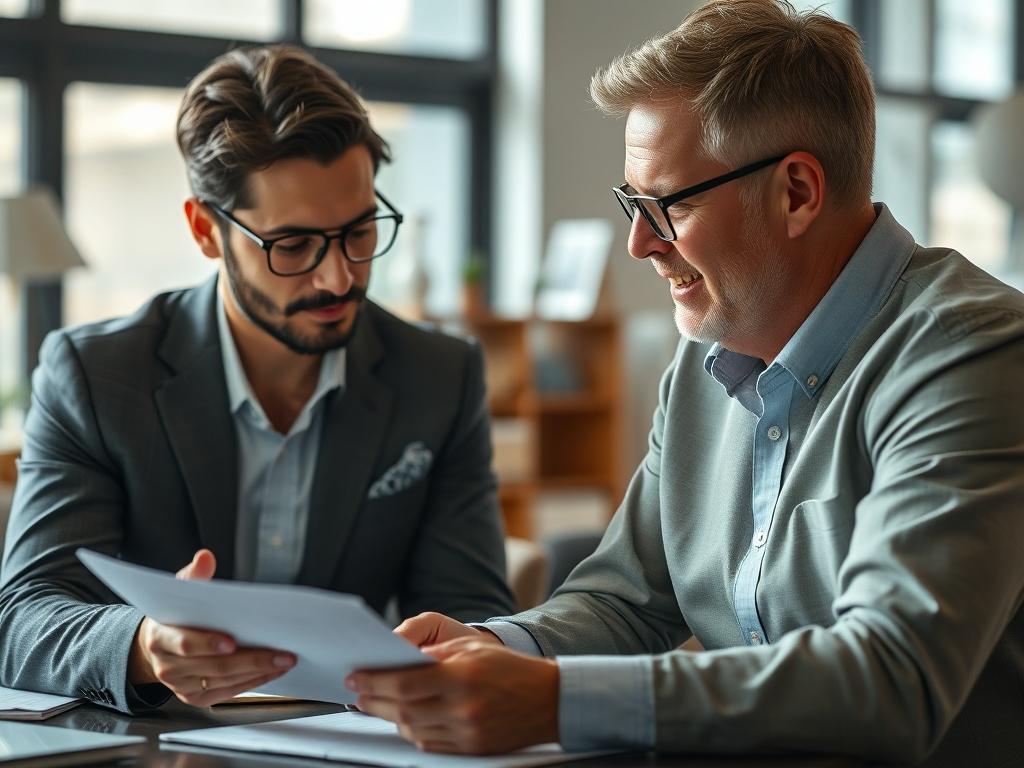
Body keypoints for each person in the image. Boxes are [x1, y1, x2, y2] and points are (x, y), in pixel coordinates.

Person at [345, 2, 1024, 764]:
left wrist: (556, 701)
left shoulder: (973, 355)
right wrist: (495, 649)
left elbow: (891, 677)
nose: (639, 243)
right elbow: (626, 601)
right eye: (631, 203)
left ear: (797, 192)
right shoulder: (707, 357)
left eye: (668, 204)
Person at [0, 44, 514, 714]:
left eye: (359, 232)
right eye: (293, 246)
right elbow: (23, 620)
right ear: (206, 231)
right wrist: (146, 646)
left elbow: (472, 610)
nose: (338, 277)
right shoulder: (97, 376)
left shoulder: (438, 376)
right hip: (152, 741)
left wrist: (456, 652)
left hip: (349, 738)